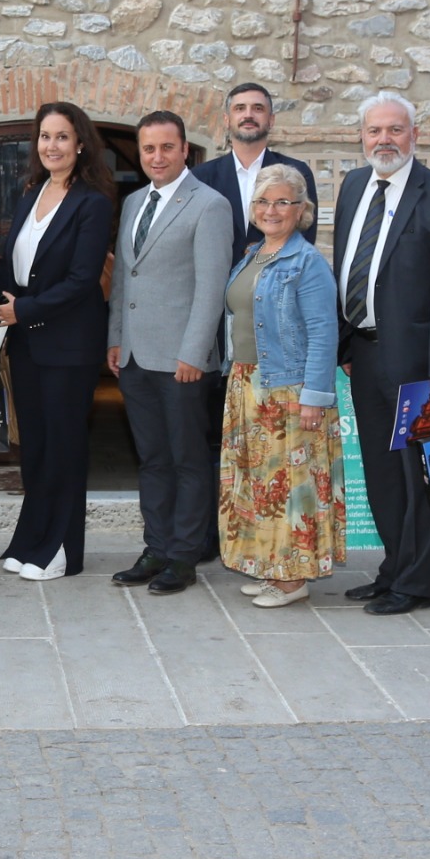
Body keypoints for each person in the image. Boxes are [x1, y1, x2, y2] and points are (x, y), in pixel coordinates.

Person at [334, 93, 430, 617]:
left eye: (395, 130)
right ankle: (394, 568)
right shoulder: (352, 186)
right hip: (366, 358)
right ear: (362, 137)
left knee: (422, 478)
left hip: (421, 366)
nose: (384, 140)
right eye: (374, 131)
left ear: (414, 135)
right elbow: (349, 266)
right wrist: (347, 345)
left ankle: (416, 585)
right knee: (381, 473)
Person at [106, 111, 231, 596]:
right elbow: (123, 279)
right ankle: (155, 546)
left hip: (183, 360)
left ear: (185, 151)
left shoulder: (209, 205)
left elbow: (210, 286)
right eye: (148, 149)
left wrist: (195, 353)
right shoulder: (134, 201)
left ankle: (183, 555)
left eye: (166, 147)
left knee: (188, 459)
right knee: (153, 459)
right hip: (137, 356)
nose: (156, 157)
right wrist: (116, 338)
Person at [0, 102, 116, 581]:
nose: (52, 146)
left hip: (69, 346)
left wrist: (22, 309)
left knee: (64, 447)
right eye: (45, 136)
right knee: (38, 448)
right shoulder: (31, 194)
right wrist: (5, 313)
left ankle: (61, 550)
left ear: (80, 143)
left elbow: (83, 279)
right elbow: (15, 263)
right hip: (26, 344)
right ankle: (30, 541)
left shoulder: (92, 201)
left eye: (62, 137)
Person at [219, 166, 346, 606]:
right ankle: (271, 566)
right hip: (247, 383)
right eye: (263, 202)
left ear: (301, 210)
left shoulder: (307, 263)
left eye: (282, 202)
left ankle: (293, 578)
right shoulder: (255, 254)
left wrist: (314, 398)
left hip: (287, 389)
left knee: (291, 485)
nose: (271, 210)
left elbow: (323, 332)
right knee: (257, 483)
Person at [193, 81, 317, 262]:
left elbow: (305, 234)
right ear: (227, 120)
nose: (248, 115)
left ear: (271, 120)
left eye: (258, 109)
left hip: (279, 282)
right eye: (240, 108)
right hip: (220, 285)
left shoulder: (297, 173)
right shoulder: (201, 177)